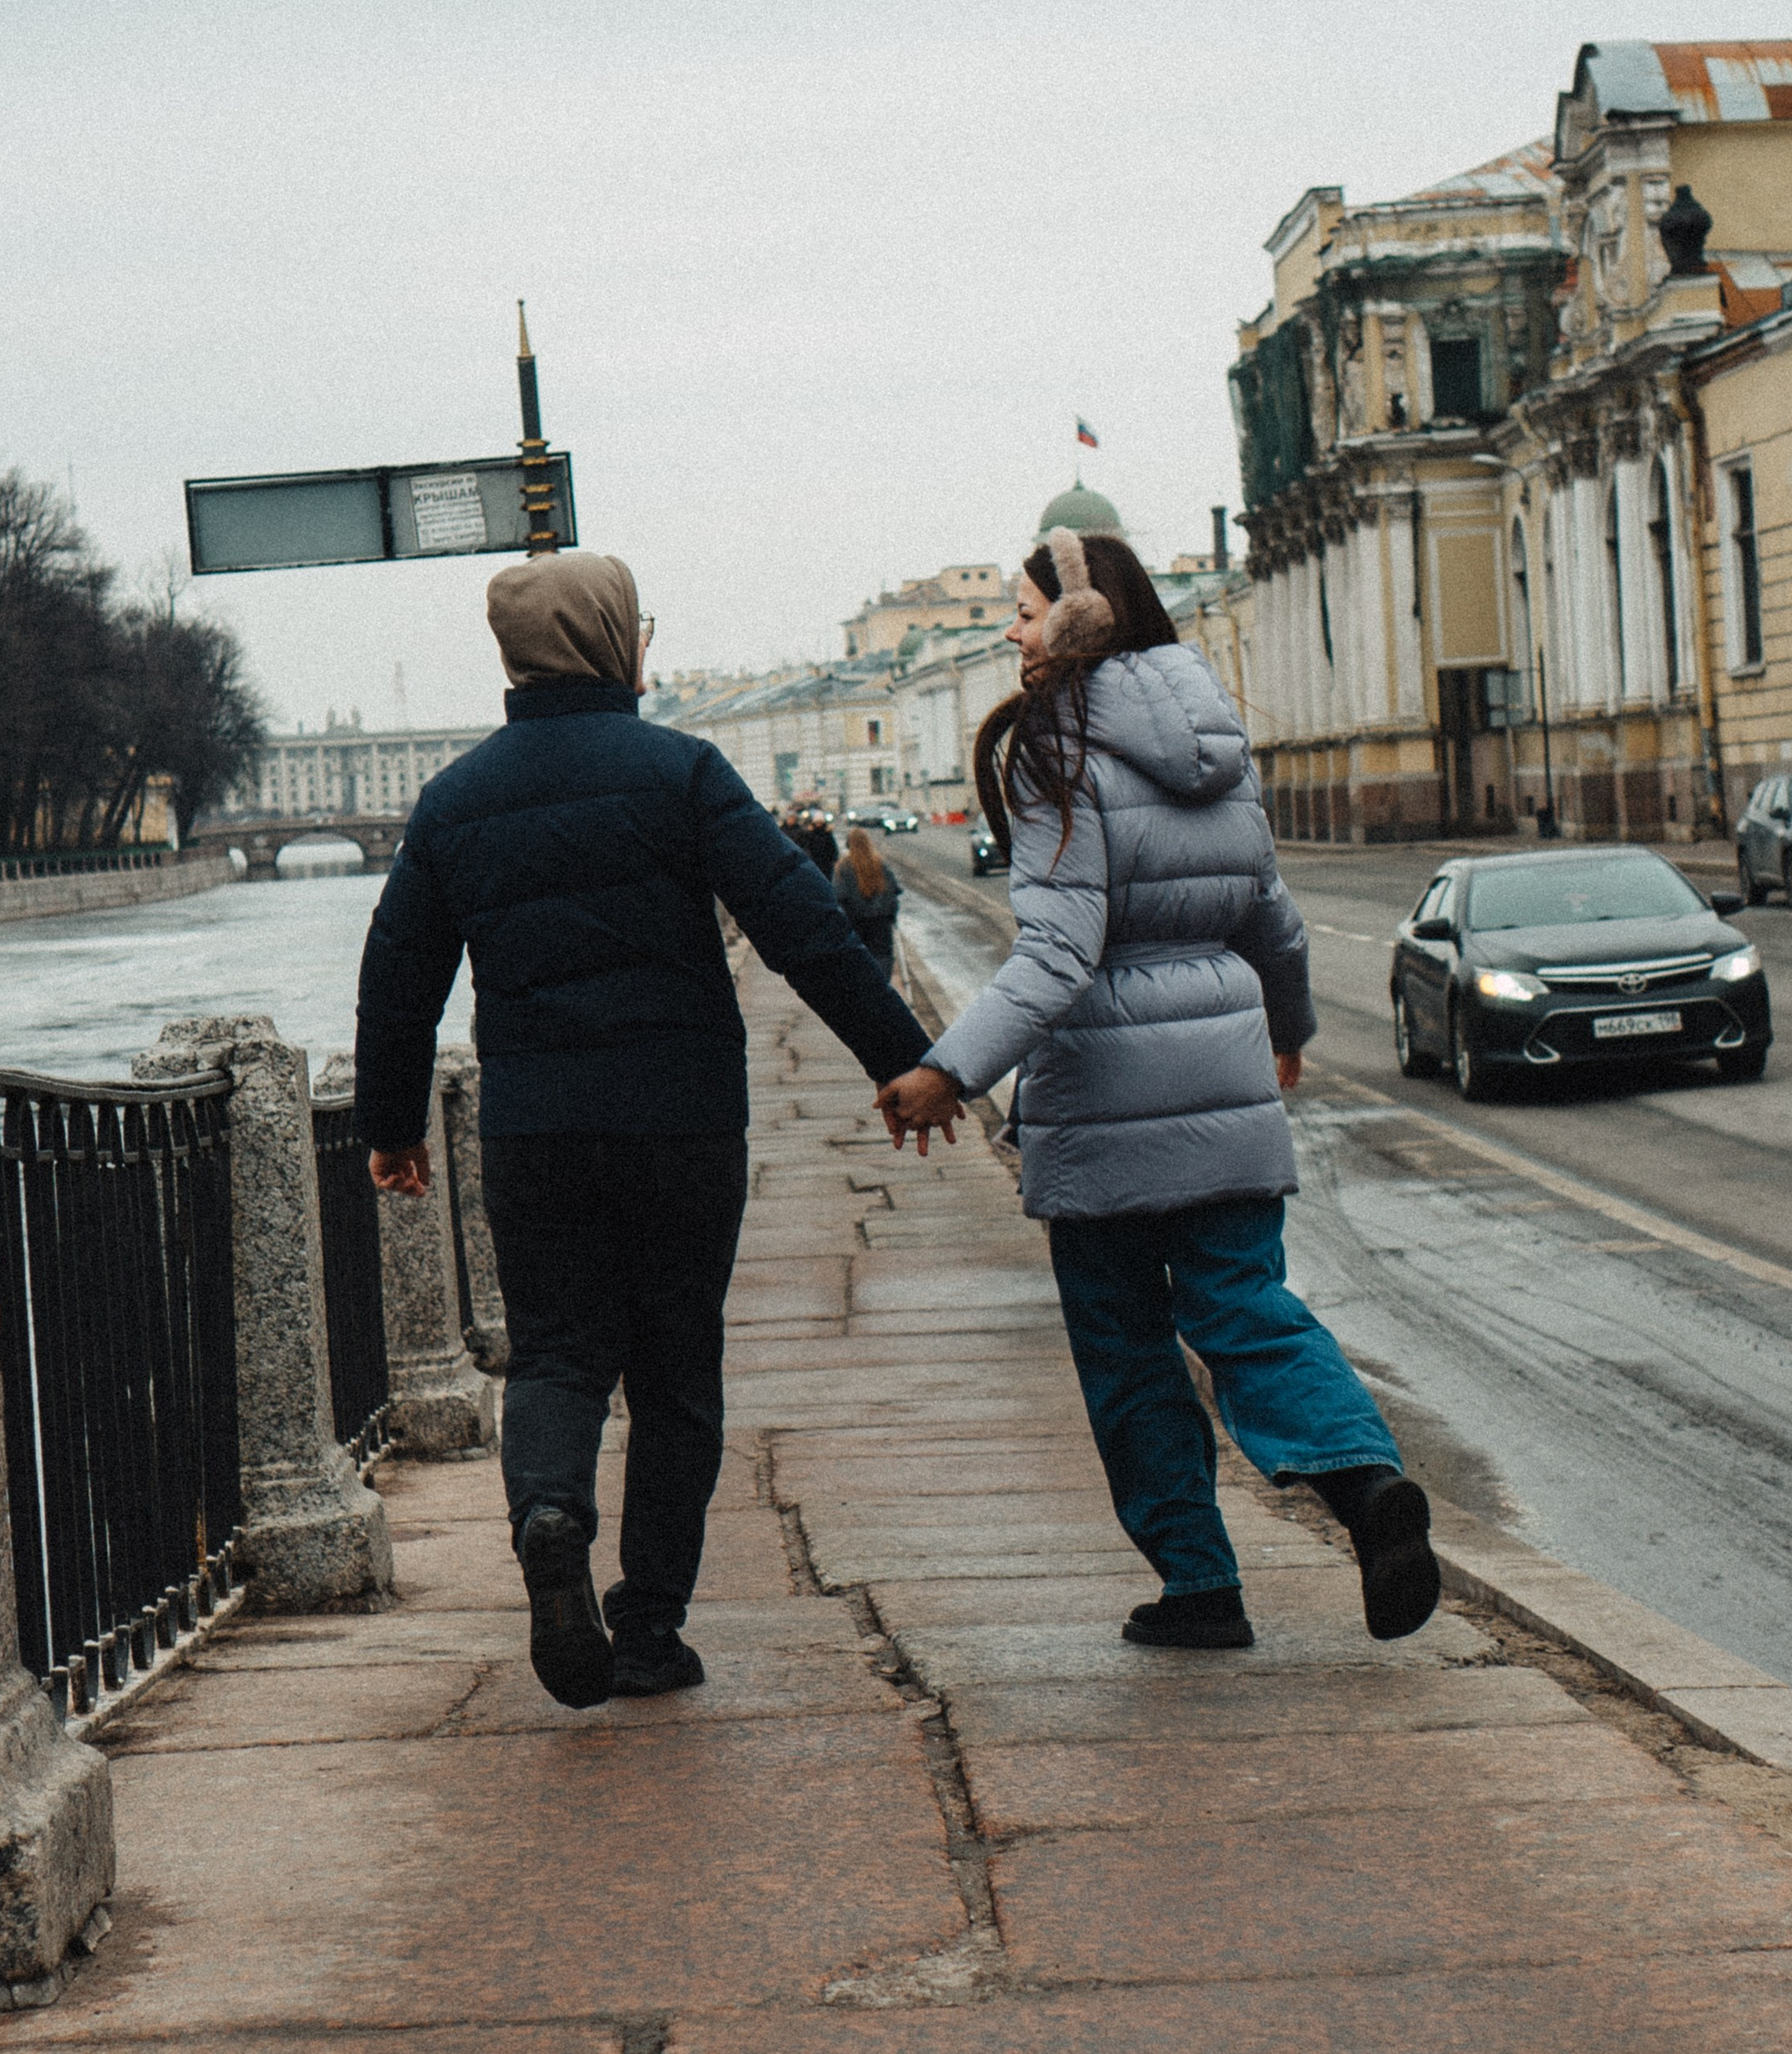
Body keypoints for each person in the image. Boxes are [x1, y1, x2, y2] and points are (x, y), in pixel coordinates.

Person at [353, 552, 932, 1710]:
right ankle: (651, 1626)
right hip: (682, 1123)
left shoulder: (456, 800)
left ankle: (552, 1519)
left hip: (536, 1132)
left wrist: (389, 1122)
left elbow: (398, 973)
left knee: (559, 1352)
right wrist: (904, 1060)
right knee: (675, 1375)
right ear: (616, 641)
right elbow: (801, 927)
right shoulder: (683, 773)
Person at [878, 527, 1439, 1650]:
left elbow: (1057, 952)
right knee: (1246, 1306)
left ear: (1082, 620)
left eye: (1028, 610)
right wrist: (1286, 1031)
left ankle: (1200, 1586)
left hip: (1105, 1096)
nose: (1011, 628)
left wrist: (948, 1069)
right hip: (1224, 1071)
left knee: (1127, 1345)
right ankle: (1368, 1483)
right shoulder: (1212, 735)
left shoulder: (1059, 744)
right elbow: (1270, 919)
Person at [833, 826, 902, 982]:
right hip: (880, 920)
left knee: (859, 956)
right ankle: (883, 987)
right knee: (882, 955)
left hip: (855, 920)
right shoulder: (879, 863)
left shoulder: (843, 867)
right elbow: (893, 889)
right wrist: (890, 912)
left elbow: (839, 894)